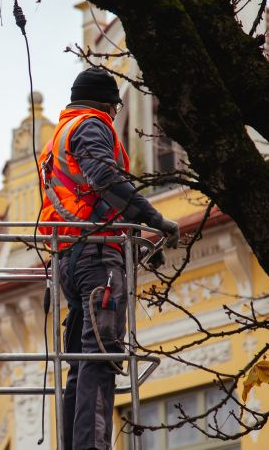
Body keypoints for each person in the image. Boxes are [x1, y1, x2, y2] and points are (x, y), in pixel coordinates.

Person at [37, 67, 179, 449]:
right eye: (114, 106)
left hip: (69, 257)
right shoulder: (93, 125)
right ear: (106, 102)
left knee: (81, 361)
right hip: (97, 254)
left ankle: (72, 445)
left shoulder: (58, 137)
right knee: (101, 354)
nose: (114, 112)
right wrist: (153, 219)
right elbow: (102, 175)